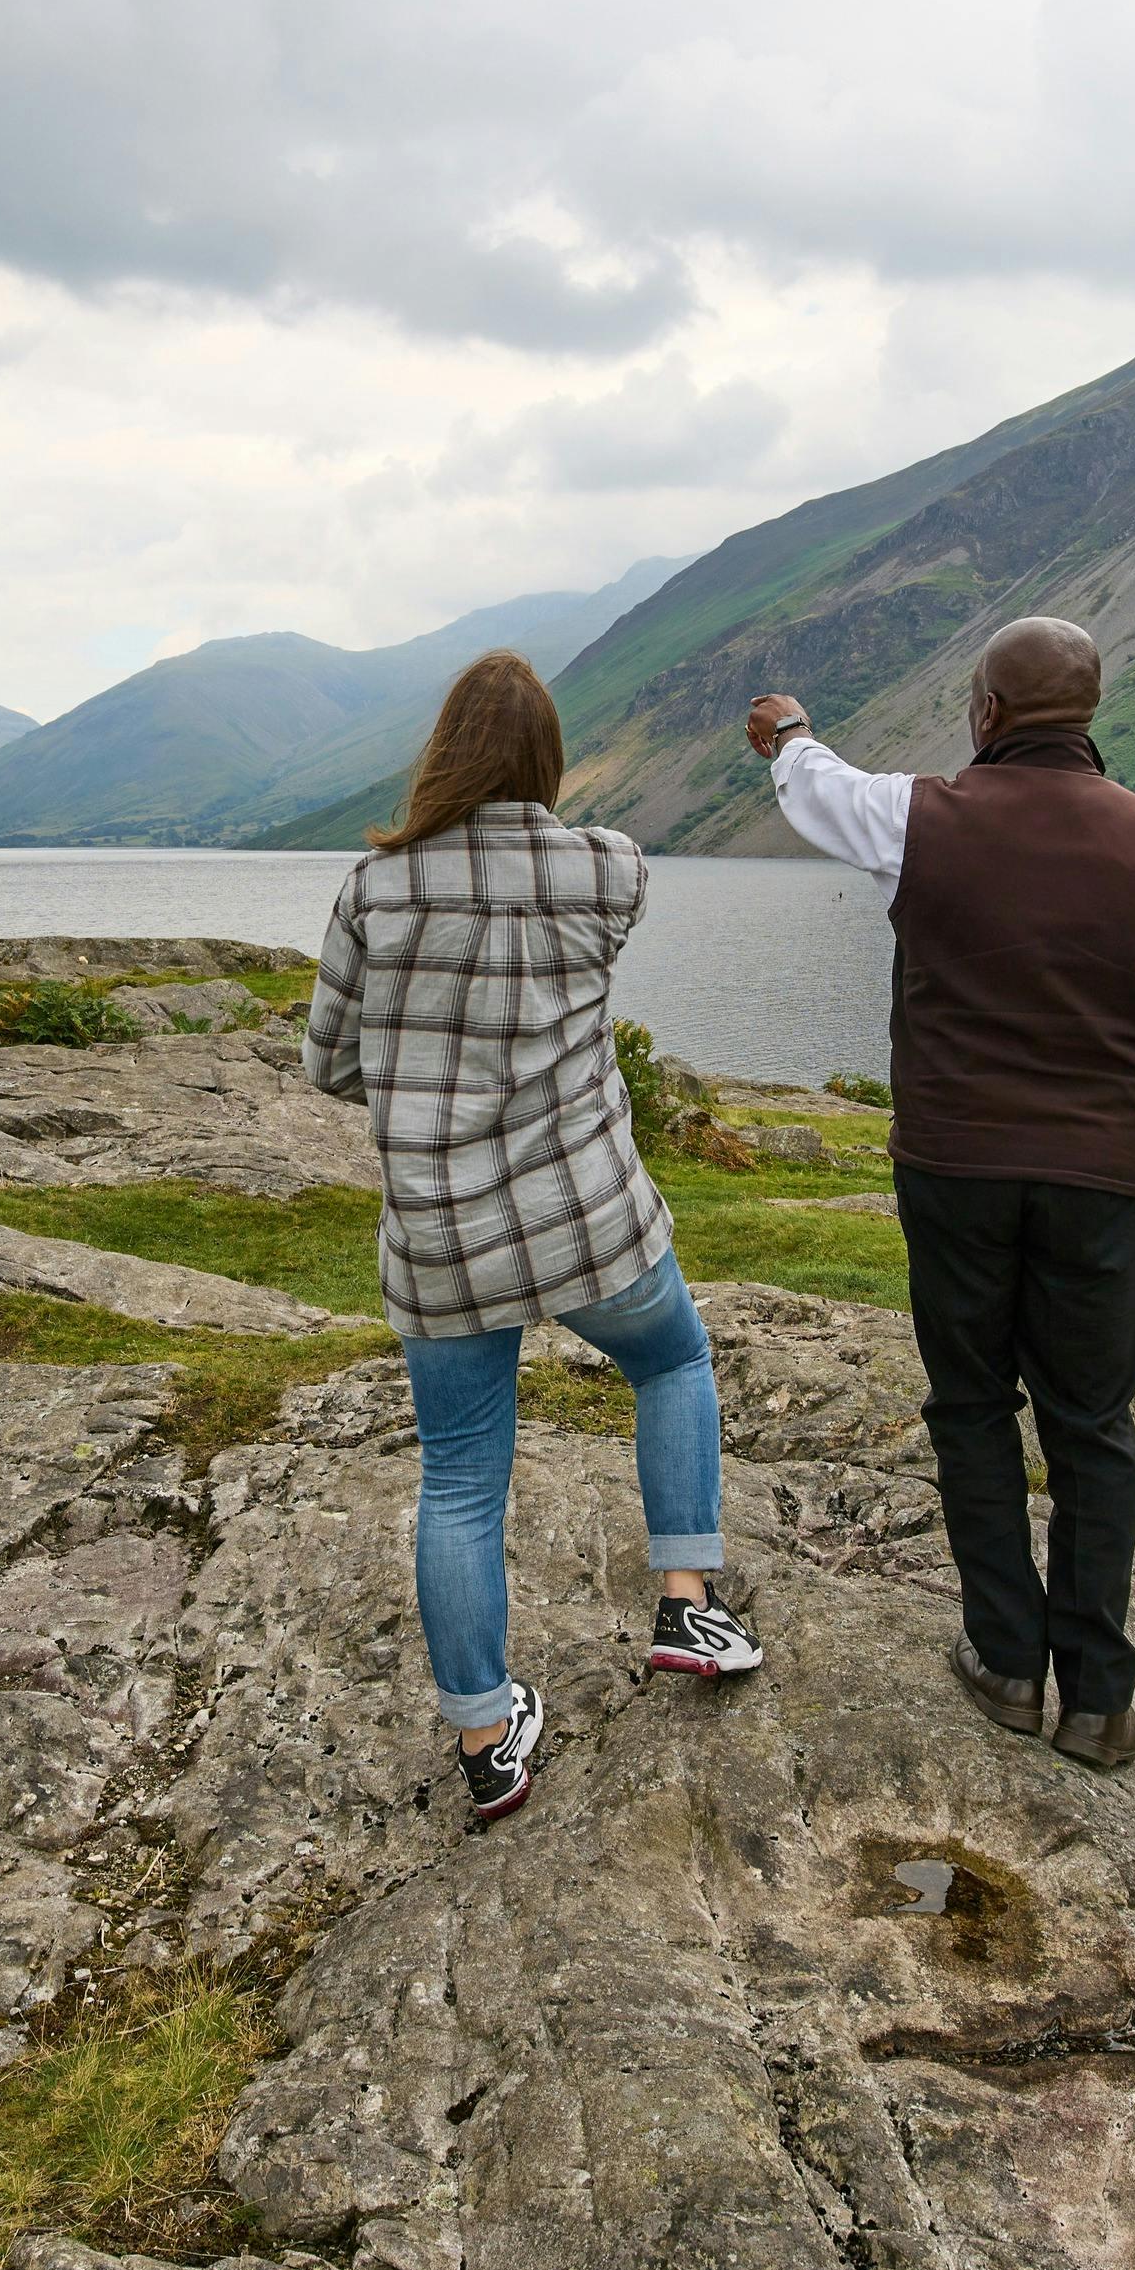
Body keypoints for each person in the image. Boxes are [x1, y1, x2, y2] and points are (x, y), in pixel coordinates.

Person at [743, 617, 1135, 1770]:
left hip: (954, 1171)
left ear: (984, 712)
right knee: (1094, 1426)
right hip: (1095, 1183)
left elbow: (819, 791)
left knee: (972, 1405)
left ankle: (1004, 1658)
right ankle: (1096, 1700)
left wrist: (785, 731)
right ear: (1090, 712)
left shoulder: (922, 818)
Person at [305, 648, 763, 1824]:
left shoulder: (373, 887)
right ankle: (687, 1606)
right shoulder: (609, 869)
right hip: (586, 1217)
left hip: (443, 1234)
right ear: (551, 756)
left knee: (460, 1474)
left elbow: (329, 1062)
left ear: (441, 754)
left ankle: (484, 1735)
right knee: (672, 1359)